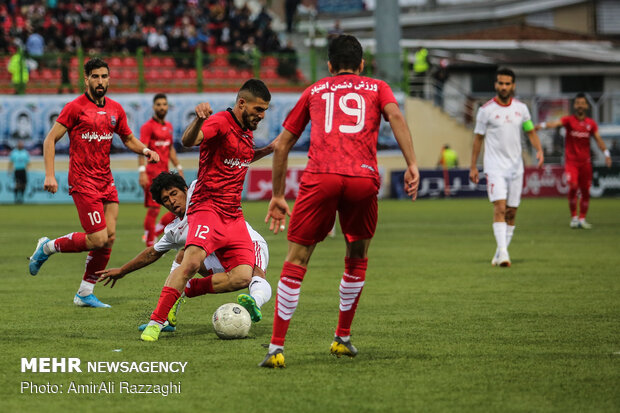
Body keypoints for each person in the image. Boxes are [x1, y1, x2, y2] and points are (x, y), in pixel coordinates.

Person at [261, 34, 420, 368]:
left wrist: (277, 195)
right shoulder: (378, 87)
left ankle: (276, 348)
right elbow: (398, 118)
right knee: (357, 256)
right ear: (362, 65)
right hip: (363, 178)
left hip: (321, 176)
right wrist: (412, 164)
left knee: (297, 259)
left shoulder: (315, 90)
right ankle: (342, 338)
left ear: (330, 65)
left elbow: (281, 145)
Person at [140, 79, 273, 342]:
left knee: (243, 277)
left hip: (233, 215)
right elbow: (190, 140)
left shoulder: (247, 133)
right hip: (208, 208)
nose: (262, 115)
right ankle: (156, 322)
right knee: (190, 262)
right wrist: (199, 120)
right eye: (259, 109)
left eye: (265, 110)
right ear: (242, 103)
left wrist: (268, 150)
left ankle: (187, 288)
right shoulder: (221, 121)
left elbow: (242, 156)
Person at [27, 58, 160, 308]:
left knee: (108, 238)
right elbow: (49, 140)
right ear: (86, 79)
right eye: (96, 77)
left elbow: (128, 138)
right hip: (82, 180)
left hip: (106, 181)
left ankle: (84, 293)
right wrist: (49, 174)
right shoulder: (75, 107)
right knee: (97, 239)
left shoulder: (115, 109)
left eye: (104, 77)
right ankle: (47, 247)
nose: (101, 81)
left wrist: (145, 151)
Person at [97, 173, 272, 330]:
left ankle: (254, 302)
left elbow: (226, 167)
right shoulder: (175, 230)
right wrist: (122, 271)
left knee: (251, 276)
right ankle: (166, 314)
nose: (172, 201)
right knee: (183, 256)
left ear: (186, 190)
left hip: (246, 243)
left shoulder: (199, 191)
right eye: (165, 199)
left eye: (174, 194)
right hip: (217, 255)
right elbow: (152, 253)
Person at [469, 67, 544, 268]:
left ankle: (500, 252)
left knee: (511, 212)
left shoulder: (521, 108)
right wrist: (473, 166)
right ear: (496, 85)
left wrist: (539, 149)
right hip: (494, 167)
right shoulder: (485, 111)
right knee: (500, 208)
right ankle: (503, 253)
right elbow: (478, 139)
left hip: (516, 167)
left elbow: (530, 131)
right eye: (500, 83)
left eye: (507, 83)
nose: (503, 87)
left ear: (513, 86)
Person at [536, 93, 612, 228]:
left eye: (583, 103)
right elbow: (554, 123)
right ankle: (574, 218)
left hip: (585, 163)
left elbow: (598, 139)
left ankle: (582, 219)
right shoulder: (569, 120)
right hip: (571, 162)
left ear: (587, 106)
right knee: (573, 186)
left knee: (585, 191)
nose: (580, 105)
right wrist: (540, 126)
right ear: (574, 105)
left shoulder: (591, 124)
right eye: (578, 103)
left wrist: (606, 154)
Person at [139, 93, 183, 247]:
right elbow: (142, 149)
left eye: (164, 104)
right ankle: (150, 242)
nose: (162, 107)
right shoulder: (147, 127)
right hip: (151, 173)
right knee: (154, 209)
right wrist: (142, 171)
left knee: (176, 205)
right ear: (154, 107)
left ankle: (155, 231)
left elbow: (170, 148)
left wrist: (178, 167)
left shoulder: (169, 127)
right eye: (159, 104)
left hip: (165, 173)